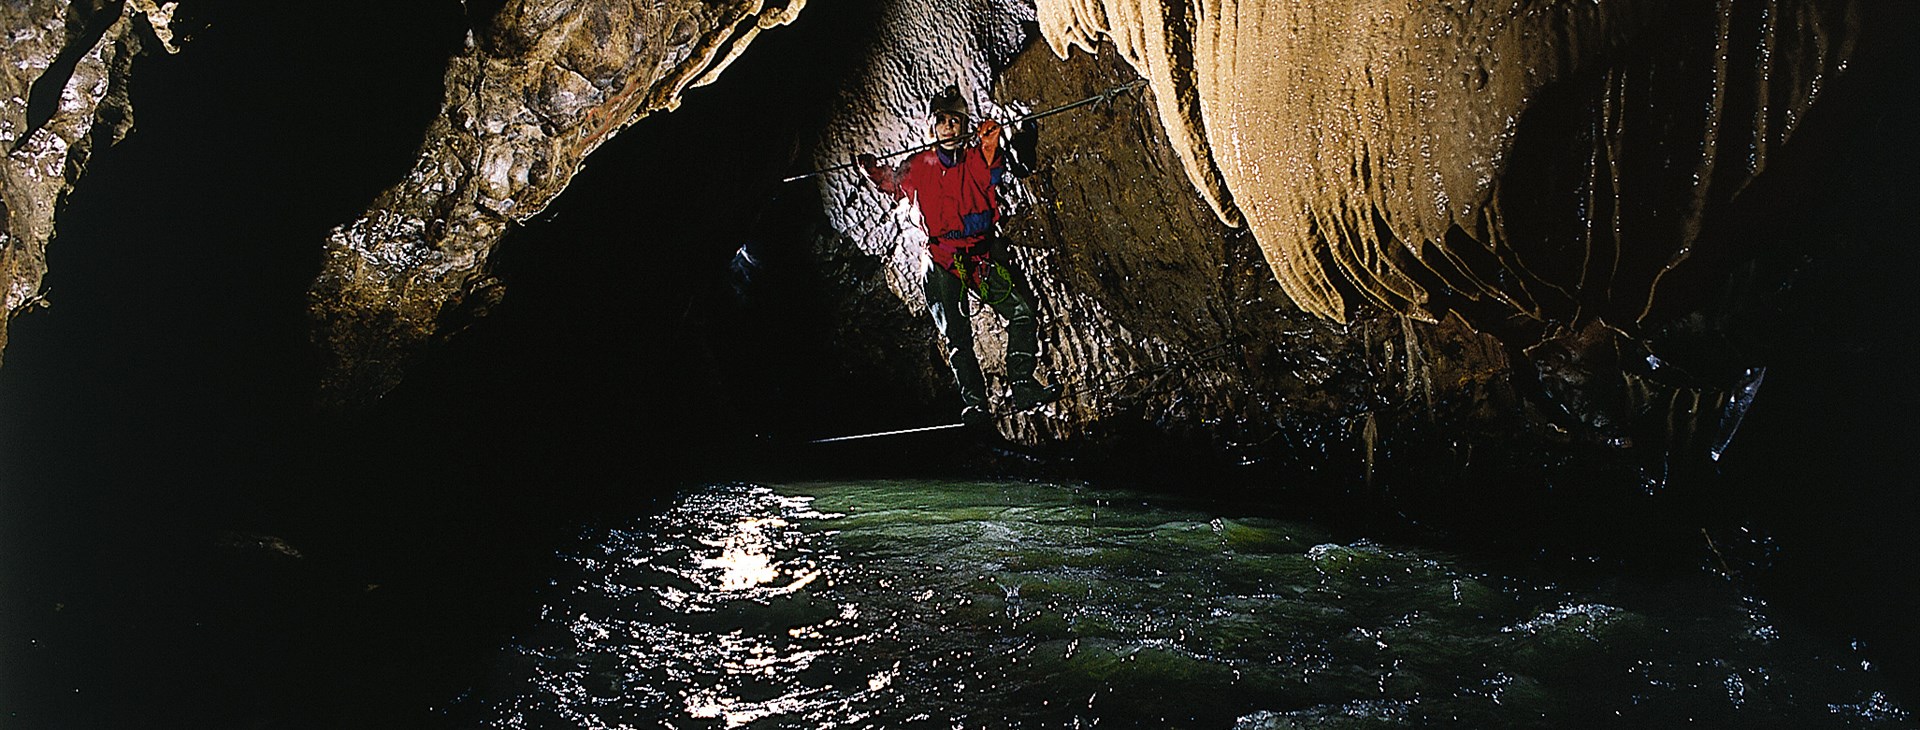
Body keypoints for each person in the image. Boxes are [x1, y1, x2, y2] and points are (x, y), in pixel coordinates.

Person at [857, 84, 1059, 427]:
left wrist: (992, 141)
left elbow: (993, 169)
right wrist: (873, 172)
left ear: (964, 126)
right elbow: (893, 184)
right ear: (932, 127)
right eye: (942, 121)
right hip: (940, 259)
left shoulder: (978, 158)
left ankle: (1022, 384)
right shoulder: (917, 164)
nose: (949, 127)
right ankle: (975, 406)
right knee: (956, 335)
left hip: (979, 256)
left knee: (1022, 313)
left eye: (955, 121)